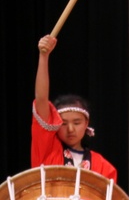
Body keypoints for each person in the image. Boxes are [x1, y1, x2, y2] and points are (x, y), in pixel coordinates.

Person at [32, 34, 118, 181]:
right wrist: (44, 56)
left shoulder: (103, 166)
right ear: (55, 125)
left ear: (87, 124)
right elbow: (41, 99)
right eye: (64, 124)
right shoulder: (48, 151)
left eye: (77, 122)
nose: (70, 129)